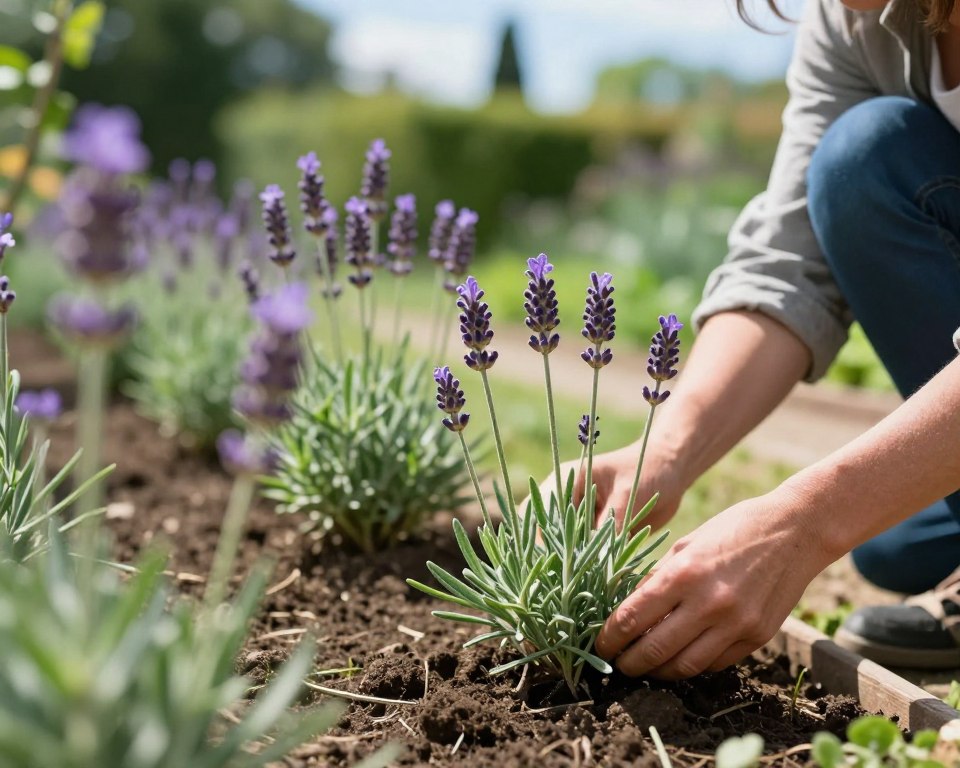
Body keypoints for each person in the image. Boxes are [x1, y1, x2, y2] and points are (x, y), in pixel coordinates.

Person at [575, 0, 960, 679]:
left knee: (863, 151)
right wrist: (662, 453)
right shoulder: (852, 22)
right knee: (895, 547)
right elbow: (788, 265)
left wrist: (803, 522)